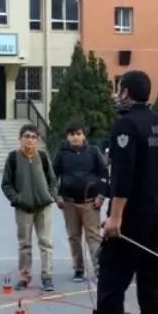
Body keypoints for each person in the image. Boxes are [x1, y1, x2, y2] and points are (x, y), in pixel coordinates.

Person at [78, 70, 158, 314]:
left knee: (112, 278)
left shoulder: (125, 125)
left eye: (119, 89)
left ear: (126, 93)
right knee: (152, 278)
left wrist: (115, 216)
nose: (117, 95)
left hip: (133, 215)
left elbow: (123, 175)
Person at [1, 124, 58, 292]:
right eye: (26, 136)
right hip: (24, 208)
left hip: (43, 207)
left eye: (33, 137)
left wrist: (52, 195)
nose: (30, 140)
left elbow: (53, 180)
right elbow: (6, 184)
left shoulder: (42, 156)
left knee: (46, 242)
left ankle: (47, 277)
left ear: (37, 140)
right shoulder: (13, 158)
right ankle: (25, 277)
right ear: (20, 138)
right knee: (24, 244)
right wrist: (17, 199)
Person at [52, 121, 108, 283]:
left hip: (91, 202)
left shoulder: (93, 152)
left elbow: (104, 174)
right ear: (67, 136)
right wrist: (57, 196)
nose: (75, 137)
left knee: (94, 237)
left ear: (84, 135)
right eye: (72, 134)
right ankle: (78, 269)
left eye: (78, 134)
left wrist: (101, 196)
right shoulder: (61, 153)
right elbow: (53, 176)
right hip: (68, 203)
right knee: (74, 237)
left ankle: (99, 269)